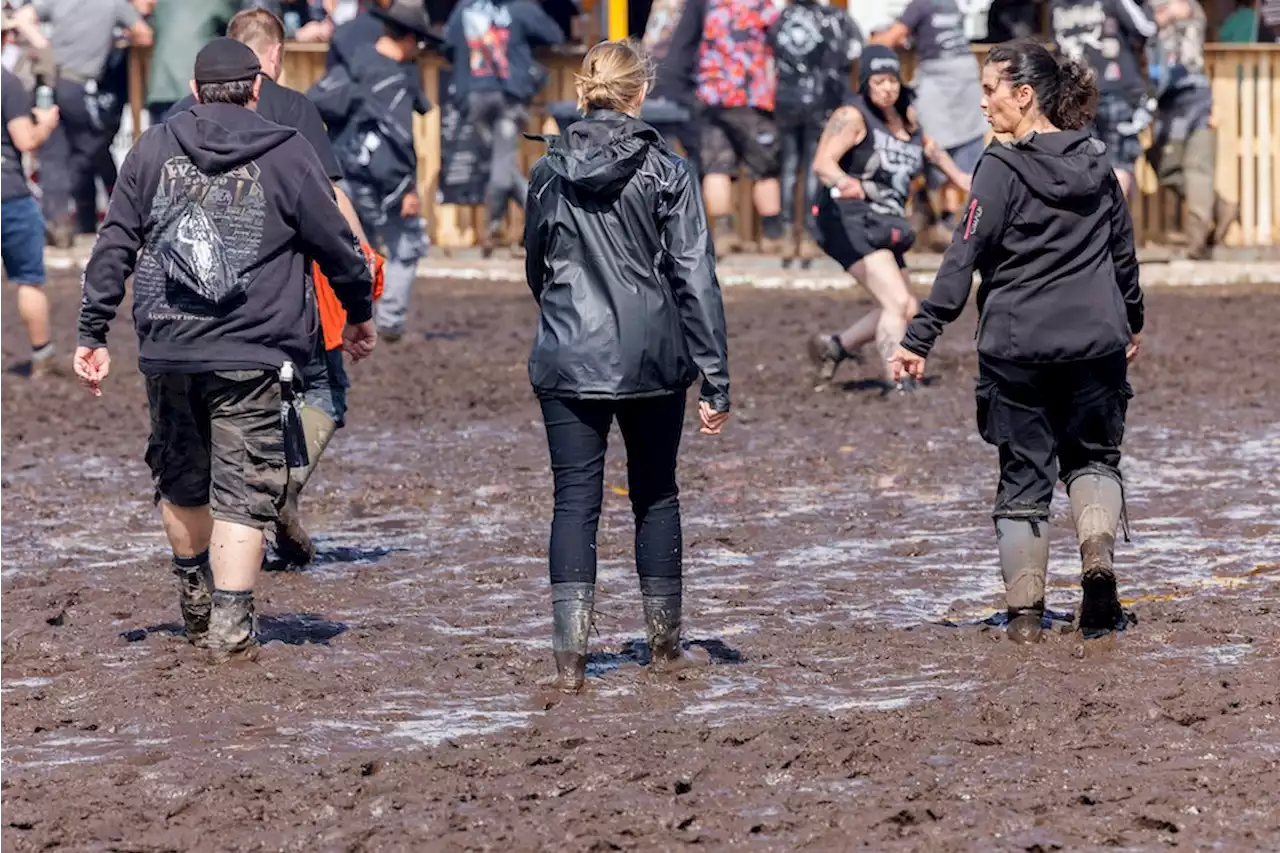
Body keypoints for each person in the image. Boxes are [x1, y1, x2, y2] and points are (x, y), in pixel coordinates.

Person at [74, 38, 377, 661]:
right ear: (256, 87)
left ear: (194, 88)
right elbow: (338, 244)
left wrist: (92, 330)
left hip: (168, 345)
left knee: (181, 480)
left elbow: (113, 243)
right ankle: (231, 633)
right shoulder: (288, 151)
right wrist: (357, 313)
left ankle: (195, 606)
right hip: (252, 348)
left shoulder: (152, 146)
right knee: (242, 491)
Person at [889, 40, 1145, 644]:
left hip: (1017, 346)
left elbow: (963, 256)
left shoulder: (999, 168)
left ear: (1024, 95)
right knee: (1093, 460)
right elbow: (1123, 256)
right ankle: (1098, 563)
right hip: (1096, 342)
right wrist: (1131, 321)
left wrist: (919, 337)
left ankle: (1026, 616)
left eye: (990, 90)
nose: (982, 103)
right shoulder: (1099, 164)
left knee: (1024, 477)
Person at [523, 39, 731, 693]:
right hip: (651, 355)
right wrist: (715, 374)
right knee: (656, 493)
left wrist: (562, 320)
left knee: (574, 503)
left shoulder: (548, 171)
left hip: (567, 350)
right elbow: (697, 277)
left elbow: (537, 263)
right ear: (641, 94)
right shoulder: (669, 171)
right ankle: (664, 647)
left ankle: (570, 661)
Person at [167, 7, 384, 566]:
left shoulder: (174, 116)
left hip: (189, 297)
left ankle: (216, 540)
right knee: (323, 391)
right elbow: (328, 199)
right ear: (273, 58)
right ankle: (281, 489)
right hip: (282, 289)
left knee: (213, 414)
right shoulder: (292, 108)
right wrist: (360, 258)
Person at [805, 45, 971, 394]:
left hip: (885, 223)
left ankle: (835, 346)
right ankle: (899, 382)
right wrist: (844, 182)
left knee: (909, 306)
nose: (887, 88)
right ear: (866, 83)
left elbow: (932, 151)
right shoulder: (852, 116)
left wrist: (965, 180)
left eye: (892, 80)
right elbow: (823, 163)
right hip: (849, 219)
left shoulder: (906, 119)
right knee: (896, 303)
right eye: (878, 81)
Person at [310, 0, 431, 342]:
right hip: (384, 178)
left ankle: (347, 317)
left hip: (344, 174)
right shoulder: (393, 78)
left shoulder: (354, 62)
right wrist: (409, 188)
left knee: (349, 249)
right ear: (408, 38)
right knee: (408, 243)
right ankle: (390, 320)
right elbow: (400, 138)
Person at [10, 0, 153, 246]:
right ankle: (111, 214)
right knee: (92, 146)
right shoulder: (114, 5)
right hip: (77, 85)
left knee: (53, 155)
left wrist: (42, 44)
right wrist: (118, 40)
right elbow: (145, 35)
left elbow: (22, 16)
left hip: (49, 82)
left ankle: (60, 226)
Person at [444, 0, 564, 256]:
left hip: (474, 96)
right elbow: (554, 35)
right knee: (502, 166)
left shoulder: (464, 8)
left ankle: (507, 225)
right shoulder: (521, 7)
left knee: (500, 165)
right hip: (510, 96)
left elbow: (447, 45)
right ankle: (513, 222)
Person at [873, 0, 986, 246]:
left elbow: (889, 39)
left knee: (929, 142)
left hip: (942, 80)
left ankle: (938, 219)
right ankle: (944, 221)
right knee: (955, 151)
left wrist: (867, 44)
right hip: (965, 78)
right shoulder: (948, 4)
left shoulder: (920, 5)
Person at [768, 0, 861, 265]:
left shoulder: (781, 18)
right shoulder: (831, 17)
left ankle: (788, 234)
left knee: (788, 165)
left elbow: (772, 48)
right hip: (819, 100)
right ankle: (809, 233)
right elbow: (850, 52)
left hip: (786, 99)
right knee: (812, 167)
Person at [1148, 0, 1239, 258]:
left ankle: (1196, 241)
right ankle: (1221, 208)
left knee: (1198, 169)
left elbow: (1182, 10)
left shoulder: (1187, 7)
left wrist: (1155, 16)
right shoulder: (1146, 9)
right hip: (1167, 101)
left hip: (1194, 96)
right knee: (1165, 165)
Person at [696, 0, 784, 256]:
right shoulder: (761, 6)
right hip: (752, 97)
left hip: (712, 96)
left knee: (716, 167)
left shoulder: (709, 5)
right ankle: (772, 235)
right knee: (764, 168)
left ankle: (723, 233)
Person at [0, 12, 60, 378]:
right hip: (8, 192)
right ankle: (43, 355)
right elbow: (25, 140)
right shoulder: (7, 83)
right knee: (28, 279)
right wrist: (45, 125)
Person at [1050, 0, 1157, 201]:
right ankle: (1113, 228)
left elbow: (1057, 47)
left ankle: (1098, 229)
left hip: (1076, 95)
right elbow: (1147, 28)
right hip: (1116, 91)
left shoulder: (1055, 6)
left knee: (1084, 166)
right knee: (1118, 165)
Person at [145, 0, 238, 126]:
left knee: (161, 143)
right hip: (195, 90)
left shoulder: (162, 3)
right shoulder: (215, 4)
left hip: (161, 90)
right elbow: (238, 28)